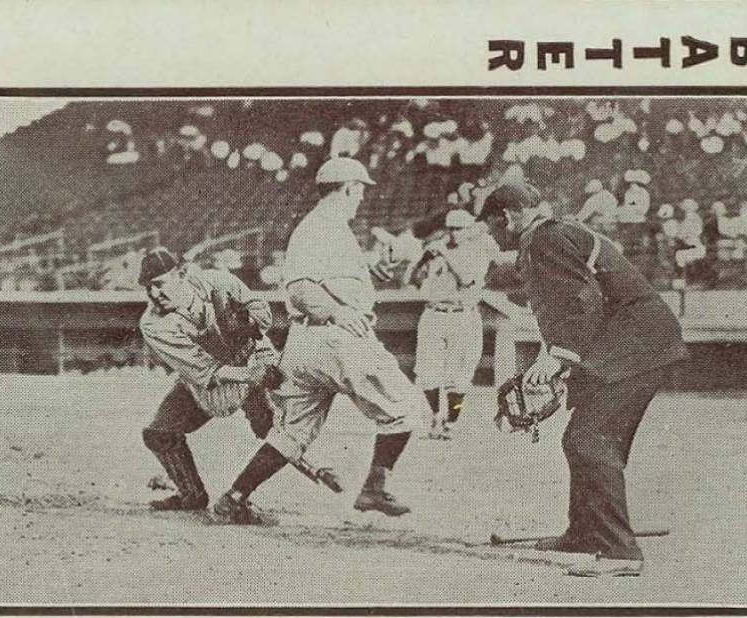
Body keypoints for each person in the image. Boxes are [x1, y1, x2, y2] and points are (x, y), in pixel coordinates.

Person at [478, 182, 689, 577]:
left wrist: (559, 355)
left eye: (492, 227)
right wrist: (558, 355)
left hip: (636, 345)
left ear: (506, 217)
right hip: (633, 342)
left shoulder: (544, 239)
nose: (494, 236)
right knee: (582, 439)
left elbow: (578, 301)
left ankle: (619, 552)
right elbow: (573, 300)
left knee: (590, 440)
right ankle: (585, 533)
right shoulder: (558, 232)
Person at [211, 157, 429, 522]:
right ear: (346, 188)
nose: (361, 197)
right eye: (360, 189)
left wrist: (381, 267)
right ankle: (374, 489)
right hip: (335, 340)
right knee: (407, 407)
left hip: (306, 344)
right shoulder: (321, 227)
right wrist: (338, 313)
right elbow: (299, 288)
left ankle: (234, 497)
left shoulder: (329, 228)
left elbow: (337, 283)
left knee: (292, 432)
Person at [138, 247, 279, 512]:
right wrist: (250, 376)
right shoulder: (153, 323)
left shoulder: (218, 281)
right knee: (158, 434)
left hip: (251, 357)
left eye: (158, 285)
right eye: (148, 288)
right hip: (209, 383)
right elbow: (205, 371)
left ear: (180, 273)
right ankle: (192, 495)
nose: (154, 295)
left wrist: (248, 321)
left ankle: (239, 495)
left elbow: (262, 311)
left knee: (274, 430)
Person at [409, 208, 500, 440]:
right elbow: (412, 280)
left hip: (463, 315)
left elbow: (467, 279)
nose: (454, 233)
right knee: (426, 372)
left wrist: (445, 255)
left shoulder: (479, 249)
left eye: (459, 228)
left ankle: (451, 421)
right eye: (450, 228)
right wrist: (422, 260)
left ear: (469, 229)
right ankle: (435, 416)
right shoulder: (439, 248)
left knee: (458, 377)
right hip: (434, 313)